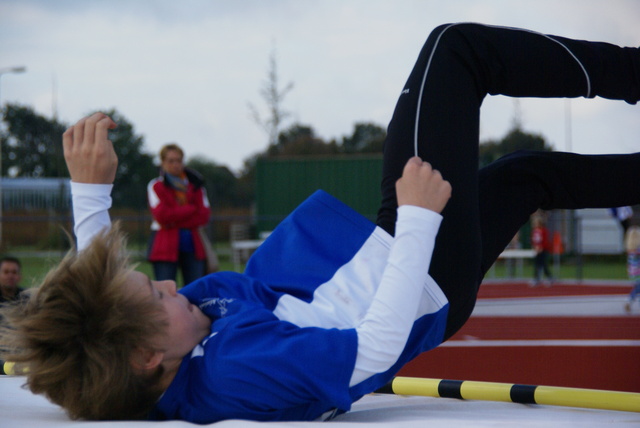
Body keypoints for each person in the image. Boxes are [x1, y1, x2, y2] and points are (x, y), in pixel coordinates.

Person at [1, 23, 639, 423]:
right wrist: (417, 220)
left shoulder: (156, 362)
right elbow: (371, 354)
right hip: (415, 265)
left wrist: (91, 194)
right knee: (455, 51)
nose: (173, 285)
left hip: (408, 268)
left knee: (528, 175)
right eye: (157, 295)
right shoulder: (234, 372)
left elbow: (99, 324)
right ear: (149, 358)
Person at [147, 143, 211, 285]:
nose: (176, 164)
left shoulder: (196, 186)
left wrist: (174, 218)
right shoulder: (156, 185)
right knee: (166, 292)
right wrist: (189, 209)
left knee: (195, 291)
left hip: (193, 245)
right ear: (163, 163)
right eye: (171, 161)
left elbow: (203, 216)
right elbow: (161, 216)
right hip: (165, 246)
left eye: (179, 160)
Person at [531, 214, 553, 286]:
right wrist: (535, 247)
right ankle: (536, 278)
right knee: (537, 264)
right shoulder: (534, 231)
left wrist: (541, 247)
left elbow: (545, 241)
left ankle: (549, 277)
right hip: (537, 250)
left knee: (543, 264)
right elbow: (533, 240)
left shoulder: (544, 231)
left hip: (543, 250)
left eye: (536, 222)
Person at [624, 226, 640, 313]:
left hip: (633, 273)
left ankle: (629, 301)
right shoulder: (638, 250)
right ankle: (629, 301)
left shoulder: (631, 250)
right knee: (638, 288)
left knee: (638, 288)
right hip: (638, 272)